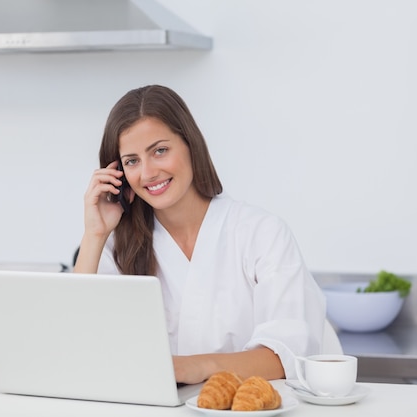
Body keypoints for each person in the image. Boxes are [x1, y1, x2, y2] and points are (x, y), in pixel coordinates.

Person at [74, 85, 326, 384]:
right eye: (131, 161)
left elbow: (285, 355)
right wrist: (94, 234)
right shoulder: (119, 245)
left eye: (160, 151)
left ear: (190, 144)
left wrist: (191, 368)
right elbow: (76, 343)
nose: (148, 173)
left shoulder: (261, 233)